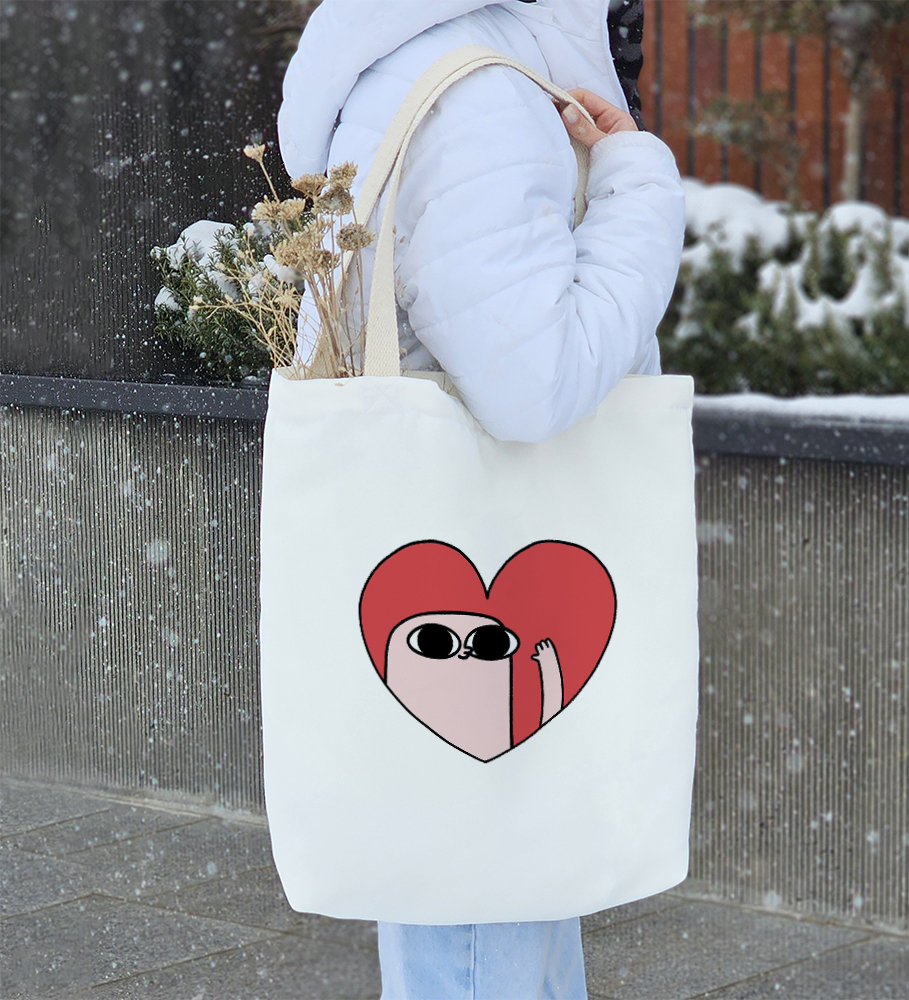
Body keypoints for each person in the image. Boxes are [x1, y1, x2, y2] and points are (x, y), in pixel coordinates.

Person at [278, 1, 685, 996]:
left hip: (459, 550)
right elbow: (532, 384)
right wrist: (637, 185)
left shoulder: (431, 60)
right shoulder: (479, 95)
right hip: (489, 543)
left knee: (489, 876)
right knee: (482, 907)